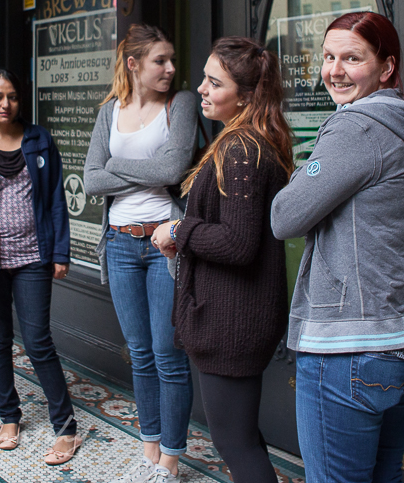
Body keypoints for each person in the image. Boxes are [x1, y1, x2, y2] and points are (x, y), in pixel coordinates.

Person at [270, 11, 404, 483]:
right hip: (403, 345)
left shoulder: (355, 130)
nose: (334, 70)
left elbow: (285, 217)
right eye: (328, 56)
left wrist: (306, 169)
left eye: (352, 58)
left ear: (386, 67)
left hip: (349, 351)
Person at [151, 37, 294, 483]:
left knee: (234, 443)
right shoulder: (248, 142)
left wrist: (178, 230)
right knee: (243, 438)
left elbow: (238, 244)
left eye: (216, 83)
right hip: (238, 316)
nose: (202, 91)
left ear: (246, 96)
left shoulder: (241, 150)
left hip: (232, 321)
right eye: (205, 80)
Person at [84, 24, 199, 483]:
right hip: (118, 242)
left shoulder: (182, 103)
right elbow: (91, 180)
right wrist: (136, 172)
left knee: (167, 354)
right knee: (140, 353)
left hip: (164, 244)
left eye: (172, 60)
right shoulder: (109, 111)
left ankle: (170, 462)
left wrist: (115, 165)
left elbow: (173, 168)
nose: (171, 68)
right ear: (133, 64)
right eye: (160, 61)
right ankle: (149, 452)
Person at [0, 69, 80, 466]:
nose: (4, 104)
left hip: (34, 259)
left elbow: (56, 200)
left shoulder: (40, 141)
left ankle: (66, 426)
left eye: (11, 97)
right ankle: (9, 418)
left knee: (38, 341)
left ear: (19, 100)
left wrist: (61, 252)